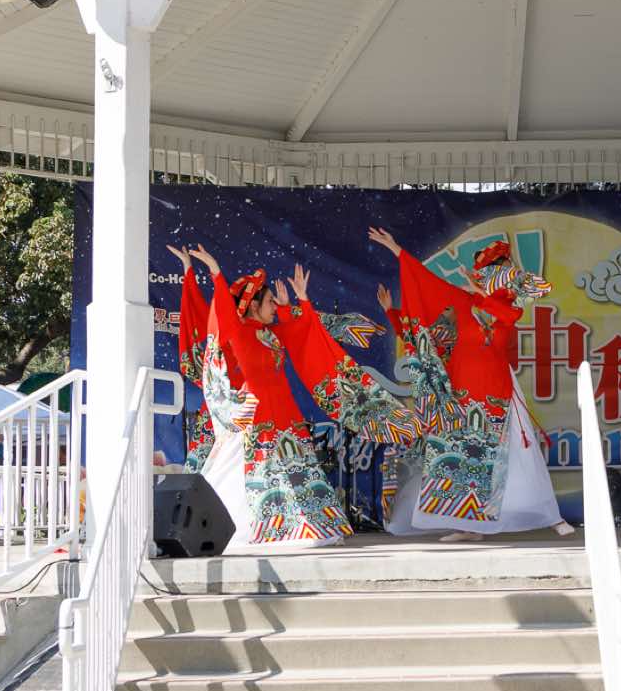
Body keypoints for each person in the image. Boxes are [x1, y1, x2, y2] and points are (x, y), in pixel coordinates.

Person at [171, 246, 418, 551]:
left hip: (285, 414)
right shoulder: (239, 331)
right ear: (252, 305)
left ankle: (307, 526)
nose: (274, 306)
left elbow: (303, 331)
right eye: (269, 301)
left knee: (298, 473)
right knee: (254, 476)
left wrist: (300, 301)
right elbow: (220, 312)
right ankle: (247, 528)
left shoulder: (271, 334)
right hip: (257, 417)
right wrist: (215, 271)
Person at [366, 227, 575, 542]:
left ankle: (552, 517)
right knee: (463, 456)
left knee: (517, 458)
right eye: (490, 271)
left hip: (496, 389)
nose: (494, 276)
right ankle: (469, 526)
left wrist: (479, 294)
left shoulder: (507, 305)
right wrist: (397, 256)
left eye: (499, 271)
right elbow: (426, 311)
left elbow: (508, 315)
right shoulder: (460, 302)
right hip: (462, 391)